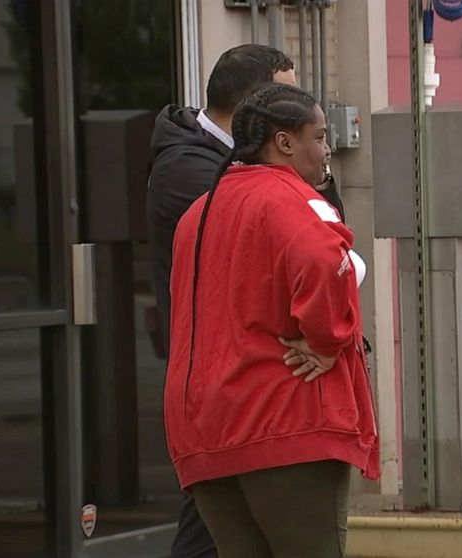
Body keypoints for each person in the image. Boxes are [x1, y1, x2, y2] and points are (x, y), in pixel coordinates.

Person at [164, 83, 379, 558]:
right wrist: (327, 341)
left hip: (203, 428)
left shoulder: (198, 212)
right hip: (284, 423)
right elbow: (330, 262)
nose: (327, 150)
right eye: (320, 137)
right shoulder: (295, 200)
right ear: (284, 142)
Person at [147, 44, 295, 558]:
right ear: (255, 106)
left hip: (243, 368)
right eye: (287, 99)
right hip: (214, 373)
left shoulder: (247, 163)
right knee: (213, 520)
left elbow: (326, 235)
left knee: (227, 519)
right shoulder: (187, 170)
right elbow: (283, 243)